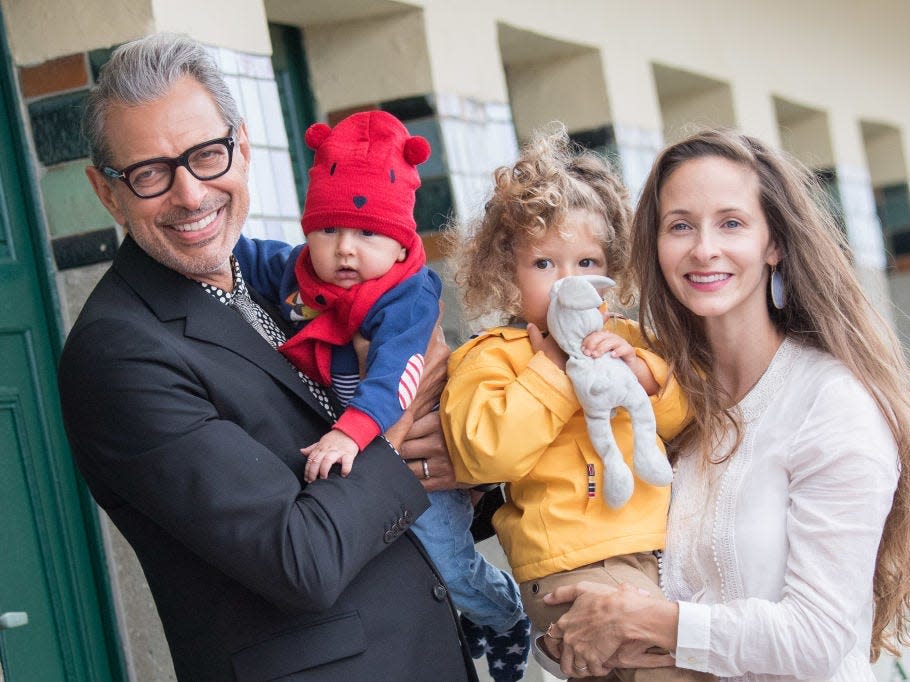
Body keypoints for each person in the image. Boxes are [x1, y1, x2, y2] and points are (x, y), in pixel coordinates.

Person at [57, 33, 477, 682]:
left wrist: (463, 457)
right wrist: (395, 432)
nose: (191, 194)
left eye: (206, 155)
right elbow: (298, 558)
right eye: (149, 173)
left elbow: (384, 493)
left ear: (243, 147)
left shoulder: (285, 280)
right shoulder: (118, 354)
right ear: (106, 193)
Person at [543, 128, 910, 681]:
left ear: (774, 244)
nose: (703, 248)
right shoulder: (656, 394)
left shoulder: (831, 403)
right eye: (680, 225)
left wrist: (647, 620)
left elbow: (816, 638)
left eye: (731, 223)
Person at [235, 109, 531, 681]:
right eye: (328, 230)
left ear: (400, 244)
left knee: (449, 562)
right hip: (376, 460)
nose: (345, 250)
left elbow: (395, 376)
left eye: (367, 233)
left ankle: (503, 614)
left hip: (414, 452)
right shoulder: (303, 274)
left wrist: (350, 431)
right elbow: (241, 257)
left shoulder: (408, 296)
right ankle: (467, 613)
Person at [441, 124, 709, 681]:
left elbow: (683, 418)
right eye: (545, 265)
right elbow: (483, 455)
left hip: (655, 553)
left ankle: (563, 646)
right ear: (505, 274)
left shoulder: (632, 341)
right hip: (575, 560)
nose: (569, 283)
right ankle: (559, 633)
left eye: (587, 264)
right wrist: (555, 372)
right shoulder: (492, 355)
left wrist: (642, 373)